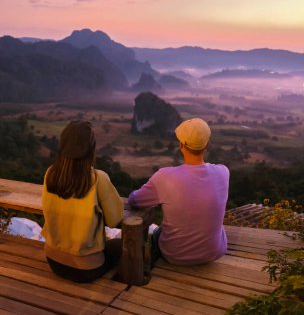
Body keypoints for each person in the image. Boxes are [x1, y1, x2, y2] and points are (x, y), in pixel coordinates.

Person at [128, 118, 229, 266]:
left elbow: (134, 200)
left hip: (175, 256)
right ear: (206, 144)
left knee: (157, 233)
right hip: (214, 253)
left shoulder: (164, 177)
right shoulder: (223, 172)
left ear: (181, 145)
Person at [41, 121, 124, 282]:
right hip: (85, 269)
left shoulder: (50, 173)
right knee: (121, 245)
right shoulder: (97, 178)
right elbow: (115, 219)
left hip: (53, 261)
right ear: (91, 149)